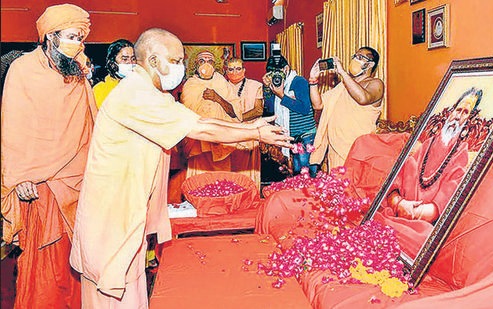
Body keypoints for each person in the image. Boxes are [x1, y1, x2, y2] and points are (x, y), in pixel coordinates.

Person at [69, 28, 292, 308]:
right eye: (175, 61)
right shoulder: (136, 95)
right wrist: (254, 134)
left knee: (131, 287)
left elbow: (195, 119)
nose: (181, 68)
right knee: (112, 290)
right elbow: (200, 126)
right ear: (152, 61)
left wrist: (249, 126)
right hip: (113, 209)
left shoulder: (152, 92)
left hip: (129, 206)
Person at [1, 4, 96, 308]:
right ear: (50, 36)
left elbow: (88, 124)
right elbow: (14, 128)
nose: (77, 44)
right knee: (44, 271)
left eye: (81, 38)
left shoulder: (78, 71)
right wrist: (18, 179)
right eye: (71, 36)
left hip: (78, 183)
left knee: (79, 264)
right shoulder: (23, 70)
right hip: (40, 186)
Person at [377, 87, 483, 258]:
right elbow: (396, 182)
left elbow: (441, 205)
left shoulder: (461, 154)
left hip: (422, 225)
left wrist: (412, 212)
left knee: (424, 240)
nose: (458, 116)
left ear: (468, 120)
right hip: (396, 211)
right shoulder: (427, 144)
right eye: (457, 110)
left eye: (465, 113)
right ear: (450, 112)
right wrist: (399, 203)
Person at [308, 47, 384, 170]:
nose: (354, 59)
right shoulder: (342, 86)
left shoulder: (376, 84)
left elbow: (362, 98)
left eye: (360, 57)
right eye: (354, 56)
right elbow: (318, 105)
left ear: (370, 64)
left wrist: (342, 72)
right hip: (336, 150)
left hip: (359, 151)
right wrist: (313, 80)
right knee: (337, 187)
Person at [180, 50, 245, 179]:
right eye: (202, 61)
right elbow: (187, 113)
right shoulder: (190, 85)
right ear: (195, 65)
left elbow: (235, 113)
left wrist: (218, 98)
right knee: (199, 181)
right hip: (199, 143)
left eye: (210, 61)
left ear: (215, 65)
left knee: (222, 181)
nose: (206, 64)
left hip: (221, 141)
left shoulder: (222, 82)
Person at [263, 54, 317, 176]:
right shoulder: (274, 85)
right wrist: (268, 89)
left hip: (305, 134)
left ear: (286, 69)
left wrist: (282, 95)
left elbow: (304, 109)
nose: (275, 76)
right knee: (296, 171)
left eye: (278, 72)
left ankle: (310, 195)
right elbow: (270, 109)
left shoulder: (299, 82)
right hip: (290, 135)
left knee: (306, 172)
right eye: (271, 73)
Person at [225, 57, 264, 188]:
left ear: (244, 70)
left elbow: (258, 110)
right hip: (228, 135)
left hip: (250, 133)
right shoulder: (221, 87)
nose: (234, 72)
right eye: (231, 69)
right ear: (226, 71)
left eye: (238, 69)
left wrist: (238, 119)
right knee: (230, 172)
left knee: (249, 173)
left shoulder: (255, 85)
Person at [93, 39, 137, 108]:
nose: (130, 63)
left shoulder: (141, 86)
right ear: (112, 63)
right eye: (125, 59)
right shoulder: (100, 90)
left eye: (133, 59)